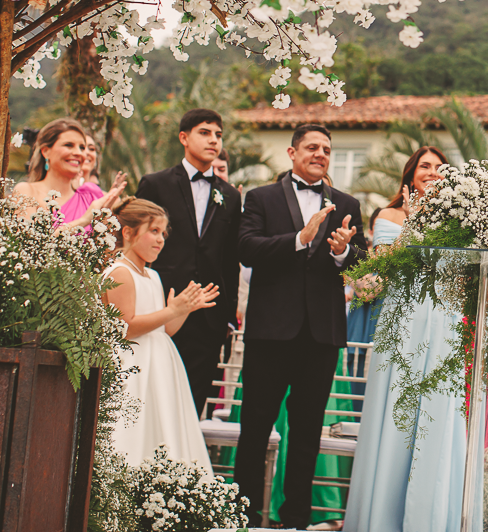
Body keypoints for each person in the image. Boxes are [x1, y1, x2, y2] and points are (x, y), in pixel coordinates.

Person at [234, 124, 365, 529]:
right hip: (270, 332)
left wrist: (343, 252)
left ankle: (295, 521)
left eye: (327, 148)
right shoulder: (261, 198)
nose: (321, 154)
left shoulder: (346, 203)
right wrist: (298, 238)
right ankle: (246, 516)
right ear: (292, 153)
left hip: (320, 336)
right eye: (312, 147)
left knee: (307, 433)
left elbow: (363, 261)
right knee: (254, 428)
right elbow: (246, 247)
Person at [347, 145, 467, 532]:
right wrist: (414, 226)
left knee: (438, 410)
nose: (432, 173)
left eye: (439, 168)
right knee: (396, 408)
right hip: (403, 318)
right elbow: (381, 271)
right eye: (425, 166)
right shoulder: (390, 215)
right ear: (410, 174)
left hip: (444, 322)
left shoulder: (457, 221)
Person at [135, 109, 243, 410]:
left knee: (193, 402)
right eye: (205, 133)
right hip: (161, 308)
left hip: (209, 314)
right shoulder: (155, 184)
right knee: (151, 399)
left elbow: (230, 259)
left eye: (218, 135)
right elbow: (136, 245)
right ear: (184, 137)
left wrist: (227, 316)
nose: (213, 141)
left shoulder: (231, 196)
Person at [102, 198, 219, 471]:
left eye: (163, 233)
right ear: (128, 232)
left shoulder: (152, 276)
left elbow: (166, 329)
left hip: (160, 365)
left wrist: (185, 309)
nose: (160, 240)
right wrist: (171, 310)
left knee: (163, 427)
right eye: (153, 231)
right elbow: (126, 327)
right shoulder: (120, 272)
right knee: (131, 431)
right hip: (132, 366)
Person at [13, 118, 127, 230]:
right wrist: (84, 220)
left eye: (81, 147)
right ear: (46, 151)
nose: (79, 153)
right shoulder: (27, 192)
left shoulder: (90, 199)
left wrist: (104, 220)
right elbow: (27, 245)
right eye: (68, 145)